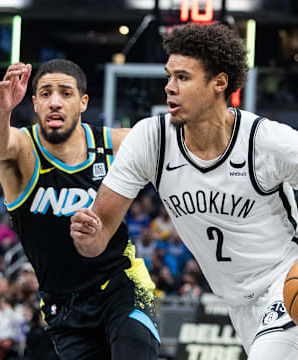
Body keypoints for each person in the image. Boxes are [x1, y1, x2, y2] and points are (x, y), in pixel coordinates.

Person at [70, 23, 298, 360]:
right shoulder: (150, 139)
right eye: (168, 76)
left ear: (219, 82)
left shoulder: (267, 143)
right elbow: (99, 230)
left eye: (183, 78)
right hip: (238, 305)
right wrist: (87, 238)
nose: (169, 88)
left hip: (285, 284)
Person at [0, 59, 160, 359]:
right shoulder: (23, 150)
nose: (55, 102)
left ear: (83, 102)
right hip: (63, 306)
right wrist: (3, 110)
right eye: (46, 93)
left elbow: (171, 142)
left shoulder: (113, 144)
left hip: (121, 285)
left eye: (65, 93)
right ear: (35, 102)